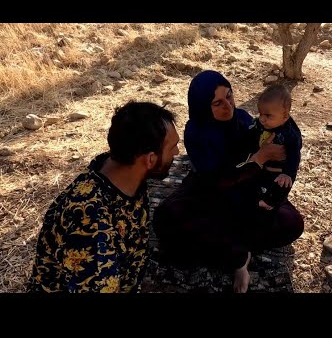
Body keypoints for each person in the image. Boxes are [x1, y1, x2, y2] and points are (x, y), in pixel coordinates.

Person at [153, 70, 304, 293]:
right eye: (217, 103)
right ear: (203, 105)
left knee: (292, 223)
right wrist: (259, 158)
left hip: (248, 193)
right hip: (210, 193)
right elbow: (215, 180)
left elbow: (282, 155)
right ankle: (240, 254)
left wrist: (276, 165)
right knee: (167, 219)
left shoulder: (244, 120)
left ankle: (231, 250)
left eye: (230, 96)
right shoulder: (196, 132)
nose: (228, 106)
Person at [29, 101, 179, 293]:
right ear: (150, 160)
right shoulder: (90, 223)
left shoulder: (120, 167)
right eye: (172, 147)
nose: (176, 153)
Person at [245, 84, 302, 211]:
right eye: (260, 114)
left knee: (282, 184)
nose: (262, 119)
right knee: (258, 183)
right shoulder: (259, 124)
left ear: (285, 116)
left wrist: (288, 173)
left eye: (268, 116)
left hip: (281, 170)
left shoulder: (289, 134)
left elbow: (294, 154)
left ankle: (271, 202)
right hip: (264, 165)